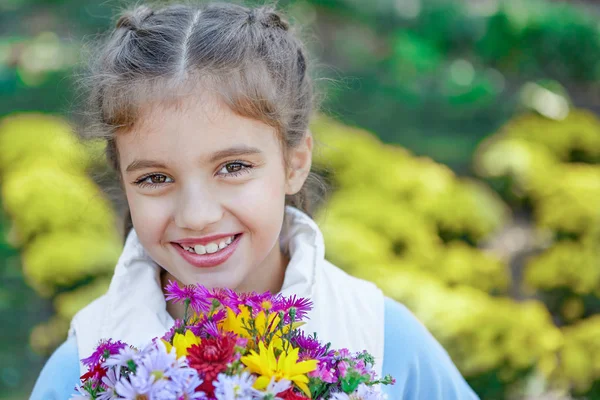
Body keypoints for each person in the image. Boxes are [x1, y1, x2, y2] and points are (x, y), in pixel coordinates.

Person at [30, 2, 479, 399]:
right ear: (123, 181)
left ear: (294, 162)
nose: (198, 216)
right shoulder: (83, 371)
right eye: (155, 177)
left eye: (233, 168)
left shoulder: (384, 344)